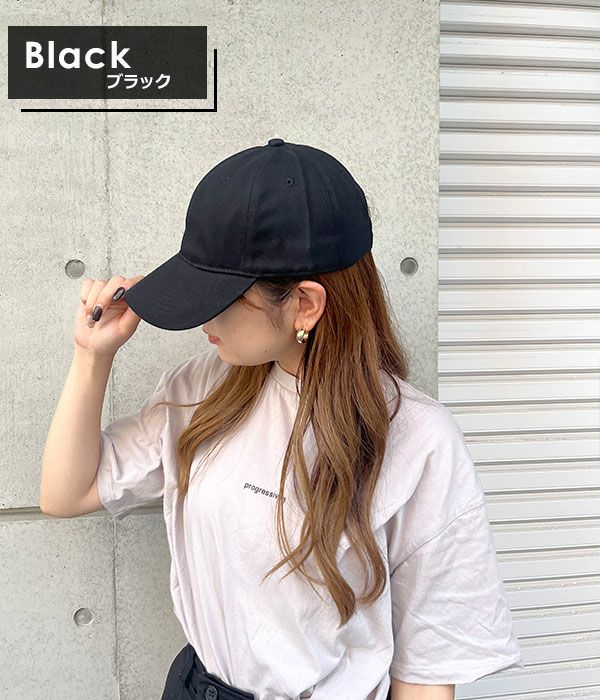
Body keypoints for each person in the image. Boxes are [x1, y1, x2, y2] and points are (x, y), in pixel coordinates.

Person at [40, 139, 523, 700]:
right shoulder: (204, 387)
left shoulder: (417, 439)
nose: (202, 320)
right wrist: (92, 356)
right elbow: (65, 493)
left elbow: (427, 668)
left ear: (305, 305)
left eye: (220, 298)